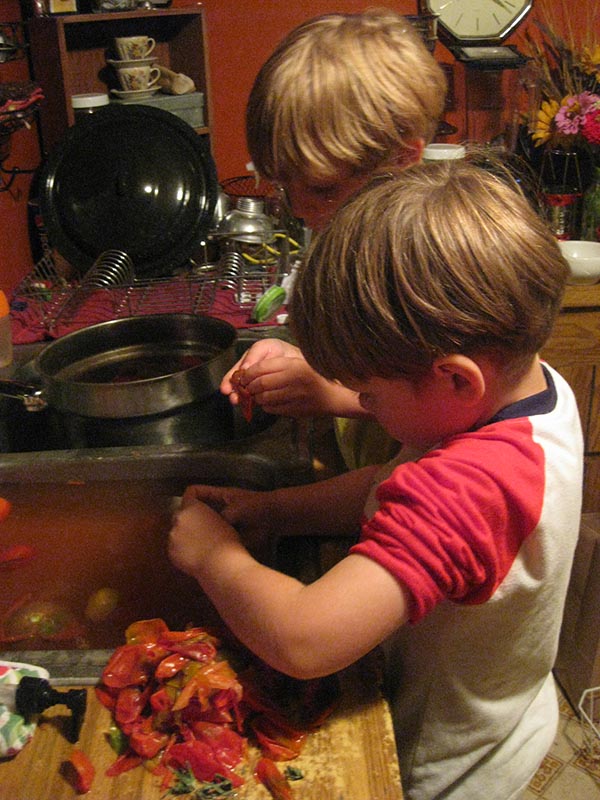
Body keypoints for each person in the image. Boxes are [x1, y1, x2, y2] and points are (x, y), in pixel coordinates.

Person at [169, 160, 583, 800]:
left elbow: (306, 639)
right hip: (508, 715)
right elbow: (396, 481)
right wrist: (277, 510)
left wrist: (213, 556)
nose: (357, 401)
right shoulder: (532, 388)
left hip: (450, 761)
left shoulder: (474, 486)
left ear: (455, 379)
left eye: (369, 392)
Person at [222, 8, 448, 469]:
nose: (301, 208)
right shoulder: (357, 238)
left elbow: (453, 412)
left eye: (322, 189)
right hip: (372, 480)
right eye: (285, 185)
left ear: (404, 160)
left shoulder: (431, 268)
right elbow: (379, 368)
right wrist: (299, 359)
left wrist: (331, 393)